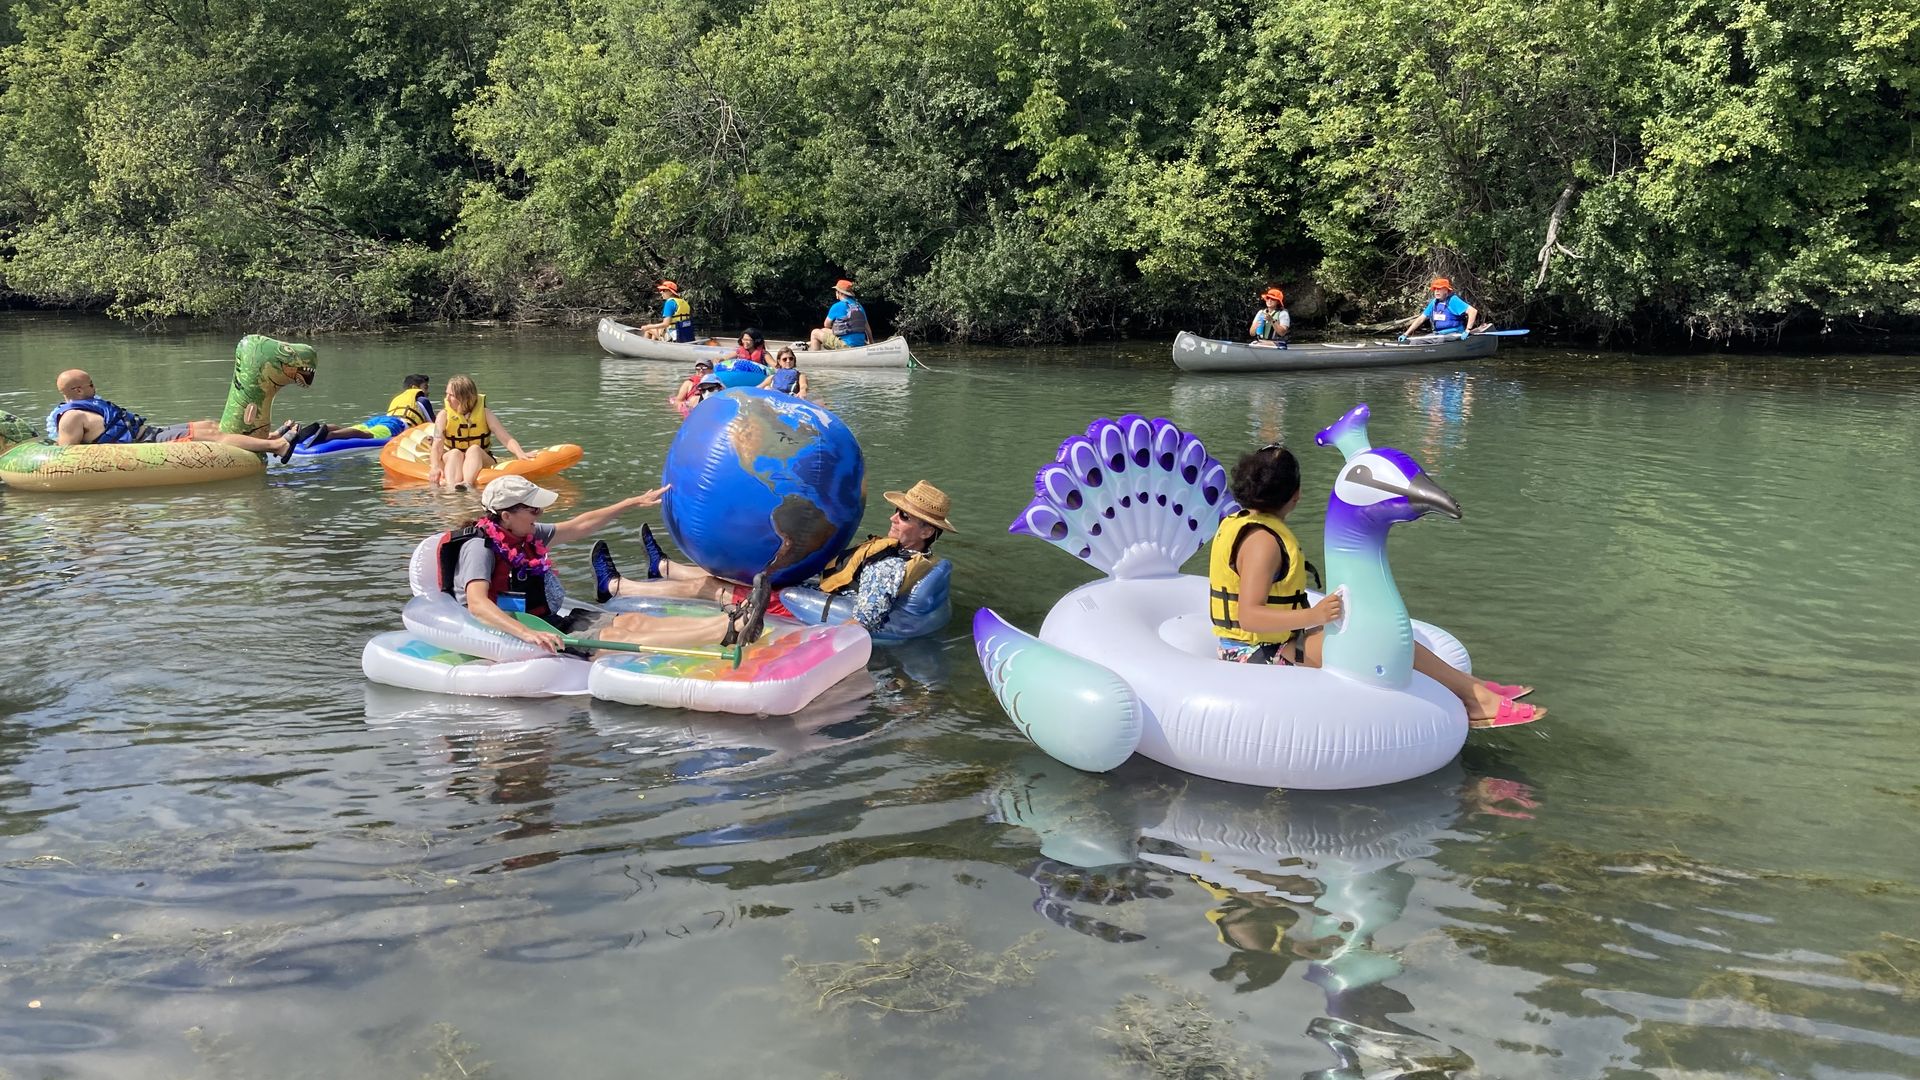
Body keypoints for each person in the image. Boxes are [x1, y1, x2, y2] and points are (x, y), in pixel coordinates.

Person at [1208, 444, 1544, 726]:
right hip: (1253, 655)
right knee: (1375, 639)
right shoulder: (1262, 542)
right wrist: (1316, 616)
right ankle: (1475, 700)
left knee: (1384, 633)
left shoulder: (1248, 525)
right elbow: (1249, 617)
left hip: (1276, 642)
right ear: (1296, 496)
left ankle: (1476, 689)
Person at [445, 476, 771, 654]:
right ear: (506, 515)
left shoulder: (523, 533)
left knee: (629, 620)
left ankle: (729, 622)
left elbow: (581, 525)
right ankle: (728, 631)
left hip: (546, 619)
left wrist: (630, 502)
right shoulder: (480, 546)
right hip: (519, 631)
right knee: (622, 637)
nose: (539, 516)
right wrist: (527, 633)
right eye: (533, 510)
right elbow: (476, 603)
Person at [590, 480, 956, 636]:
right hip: (818, 594)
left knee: (714, 588)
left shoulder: (891, 566)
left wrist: (804, 626)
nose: (894, 517)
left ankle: (617, 586)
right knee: (739, 574)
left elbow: (864, 620)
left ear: (927, 531)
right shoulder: (911, 557)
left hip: (808, 607)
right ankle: (665, 567)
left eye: (904, 516)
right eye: (897, 511)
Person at [46, 369, 319, 464]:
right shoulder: (72, 418)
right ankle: (277, 446)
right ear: (78, 389)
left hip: (149, 435)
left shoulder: (88, 407)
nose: (95, 387)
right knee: (211, 434)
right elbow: (67, 457)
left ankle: (266, 438)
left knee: (209, 424)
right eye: (91, 383)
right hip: (143, 448)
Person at [427, 374, 535, 492]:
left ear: (464, 397)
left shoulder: (485, 413)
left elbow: (505, 438)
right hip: (453, 457)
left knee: (474, 449)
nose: (447, 398)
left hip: (480, 457)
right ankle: (450, 489)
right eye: (446, 393)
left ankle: (467, 484)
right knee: (454, 453)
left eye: (451, 395)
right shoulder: (443, 415)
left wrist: (520, 453)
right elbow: (437, 443)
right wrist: (435, 466)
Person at [303, 374, 433, 447]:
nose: (427, 392)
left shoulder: (398, 398)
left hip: (382, 419)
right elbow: (434, 425)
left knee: (357, 428)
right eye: (425, 387)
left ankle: (326, 428)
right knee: (367, 435)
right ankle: (330, 435)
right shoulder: (421, 399)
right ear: (414, 387)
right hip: (396, 425)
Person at [1398, 277, 1482, 342]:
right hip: (1438, 334)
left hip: (1455, 333)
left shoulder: (1453, 300)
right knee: (1416, 342)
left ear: (1446, 290)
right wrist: (1406, 334)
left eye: (1440, 289)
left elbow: (1473, 311)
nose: (1437, 291)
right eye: (1435, 289)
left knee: (1439, 340)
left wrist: (1468, 330)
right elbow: (1421, 319)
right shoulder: (1434, 302)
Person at [807, 279, 869, 351]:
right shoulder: (859, 306)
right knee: (824, 330)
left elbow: (826, 324)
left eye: (836, 291)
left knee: (815, 332)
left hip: (846, 345)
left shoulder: (837, 306)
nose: (835, 293)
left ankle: (816, 357)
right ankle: (809, 344)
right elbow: (867, 326)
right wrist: (871, 342)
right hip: (860, 343)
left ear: (840, 293)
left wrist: (838, 327)